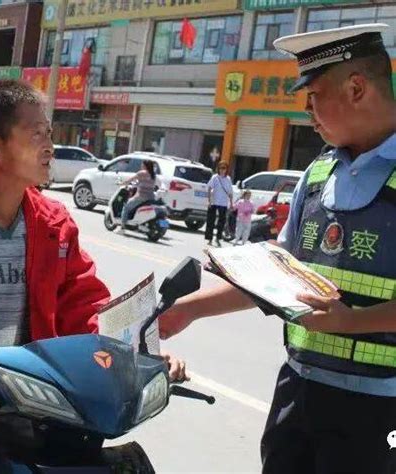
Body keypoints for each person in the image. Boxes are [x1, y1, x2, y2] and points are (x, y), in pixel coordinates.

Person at [159, 23, 396, 473]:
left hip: (379, 406)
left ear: (358, 88)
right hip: (298, 391)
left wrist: (355, 322)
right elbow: (277, 280)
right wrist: (188, 309)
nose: (307, 111)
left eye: (314, 96)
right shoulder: (319, 173)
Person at [0, 79, 186, 473]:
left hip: (30, 390)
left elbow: (86, 305)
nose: (50, 146)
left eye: (50, 133)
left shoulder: (54, 223)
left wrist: (138, 352)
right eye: (37, 135)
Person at [117, 159, 156, 234]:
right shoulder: (153, 175)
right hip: (151, 197)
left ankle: (122, 228)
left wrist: (121, 183)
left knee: (126, 207)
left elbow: (130, 180)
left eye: (142, 164)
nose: (141, 165)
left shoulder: (141, 173)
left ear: (145, 165)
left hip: (141, 196)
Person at [205, 161, 233, 246]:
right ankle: (209, 238)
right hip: (214, 202)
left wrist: (231, 203)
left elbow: (230, 192)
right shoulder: (215, 177)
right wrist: (209, 200)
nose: (222, 170)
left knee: (221, 222)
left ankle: (218, 238)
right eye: (220, 168)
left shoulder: (228, 179)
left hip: (223, 203)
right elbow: (209, 188)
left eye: (224, 168)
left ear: (226, 169)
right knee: (210, 221)